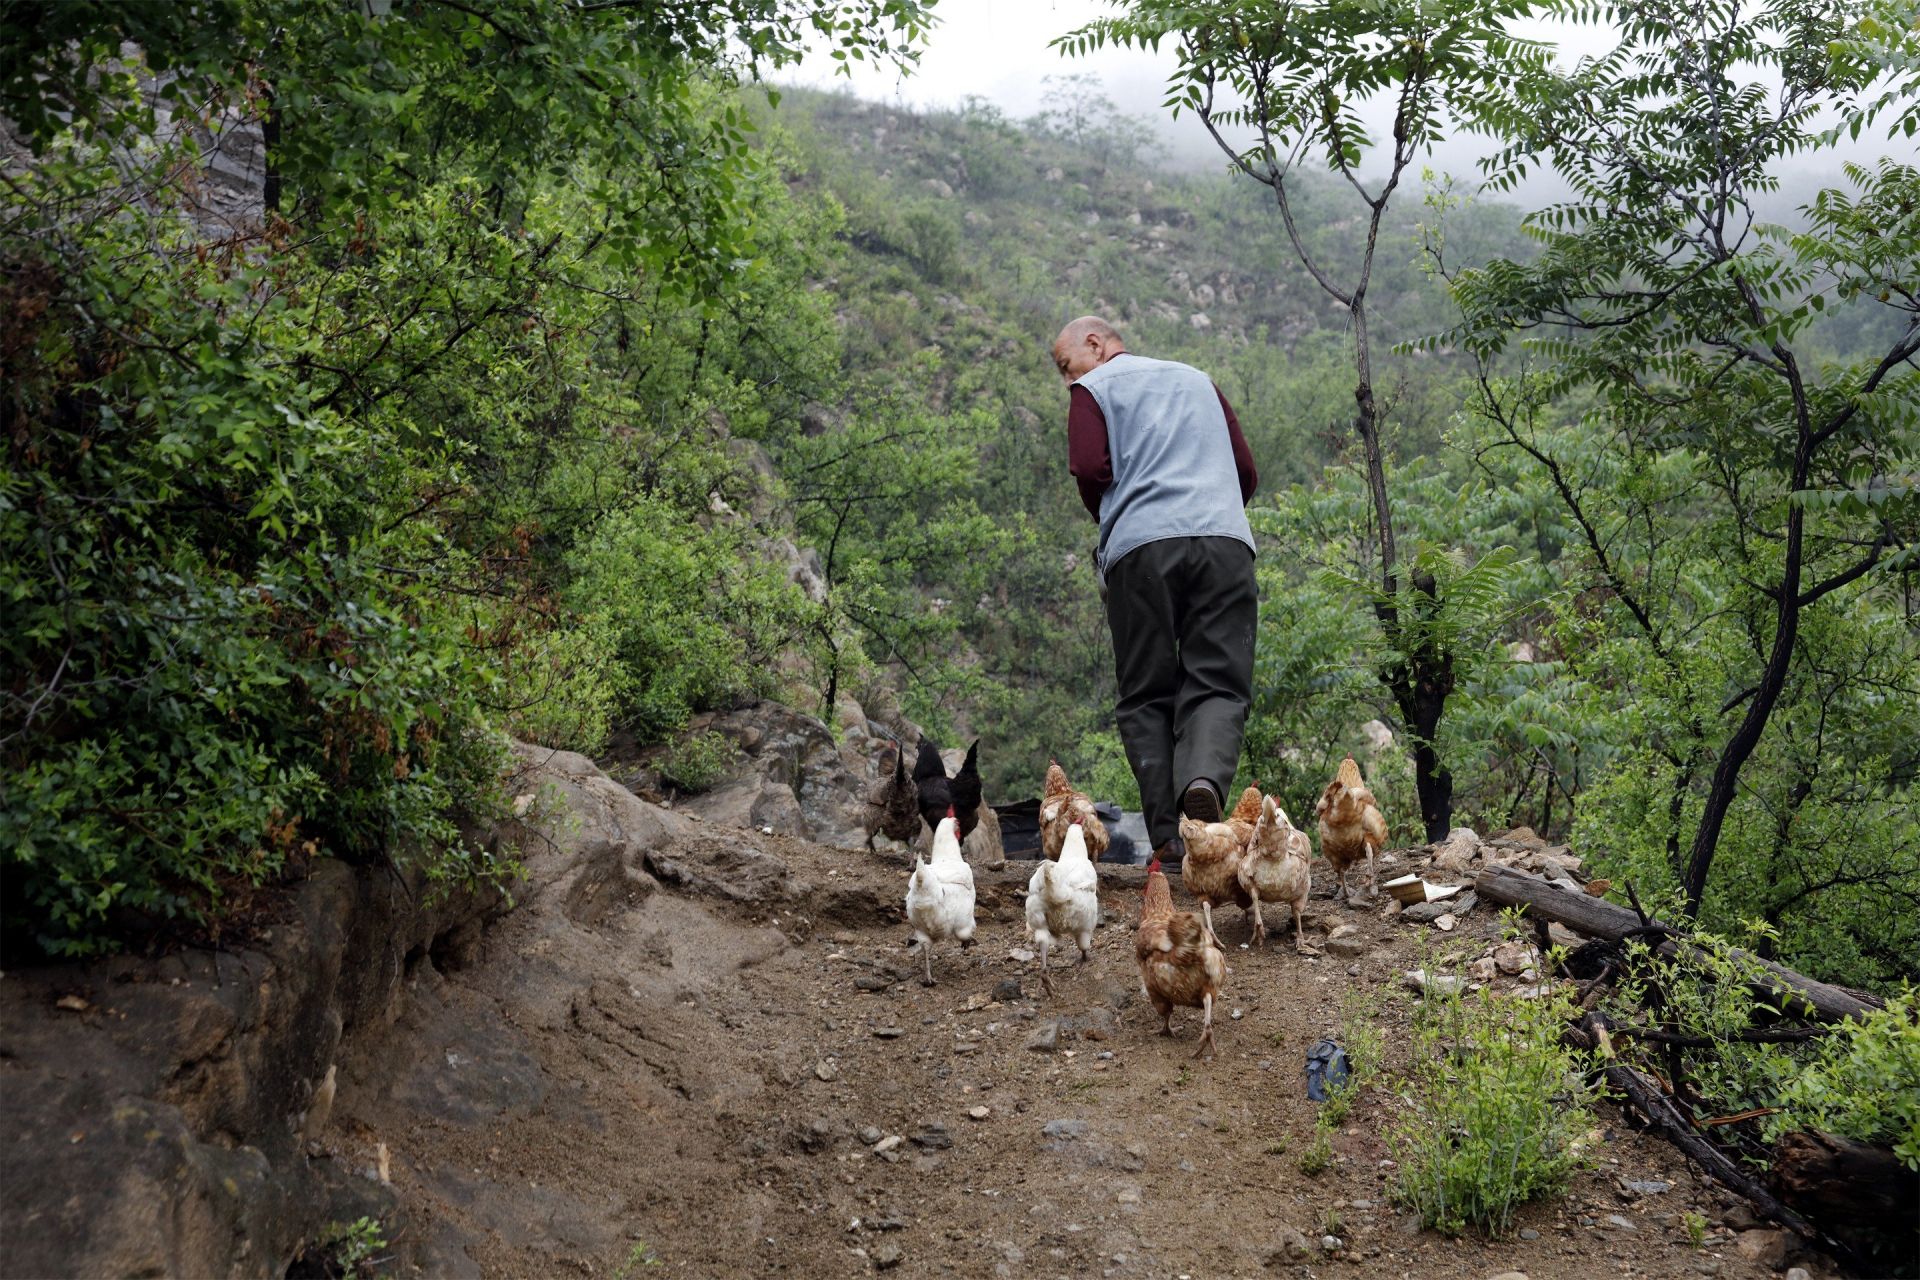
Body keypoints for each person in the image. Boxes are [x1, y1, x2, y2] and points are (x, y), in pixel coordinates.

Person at [1051, 315, 1258, 871]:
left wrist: (1118, 520)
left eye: (1064, 365)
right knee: (1218, 679)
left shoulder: (1092, 390)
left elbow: (1093, 468)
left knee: (1146, 691)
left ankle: (1168, 839)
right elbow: (1245, 469)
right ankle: (1202, 783)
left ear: (1093, 345)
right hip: (1225, 544)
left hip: (1142, 549)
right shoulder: (1199, 380)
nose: (1066, 379)